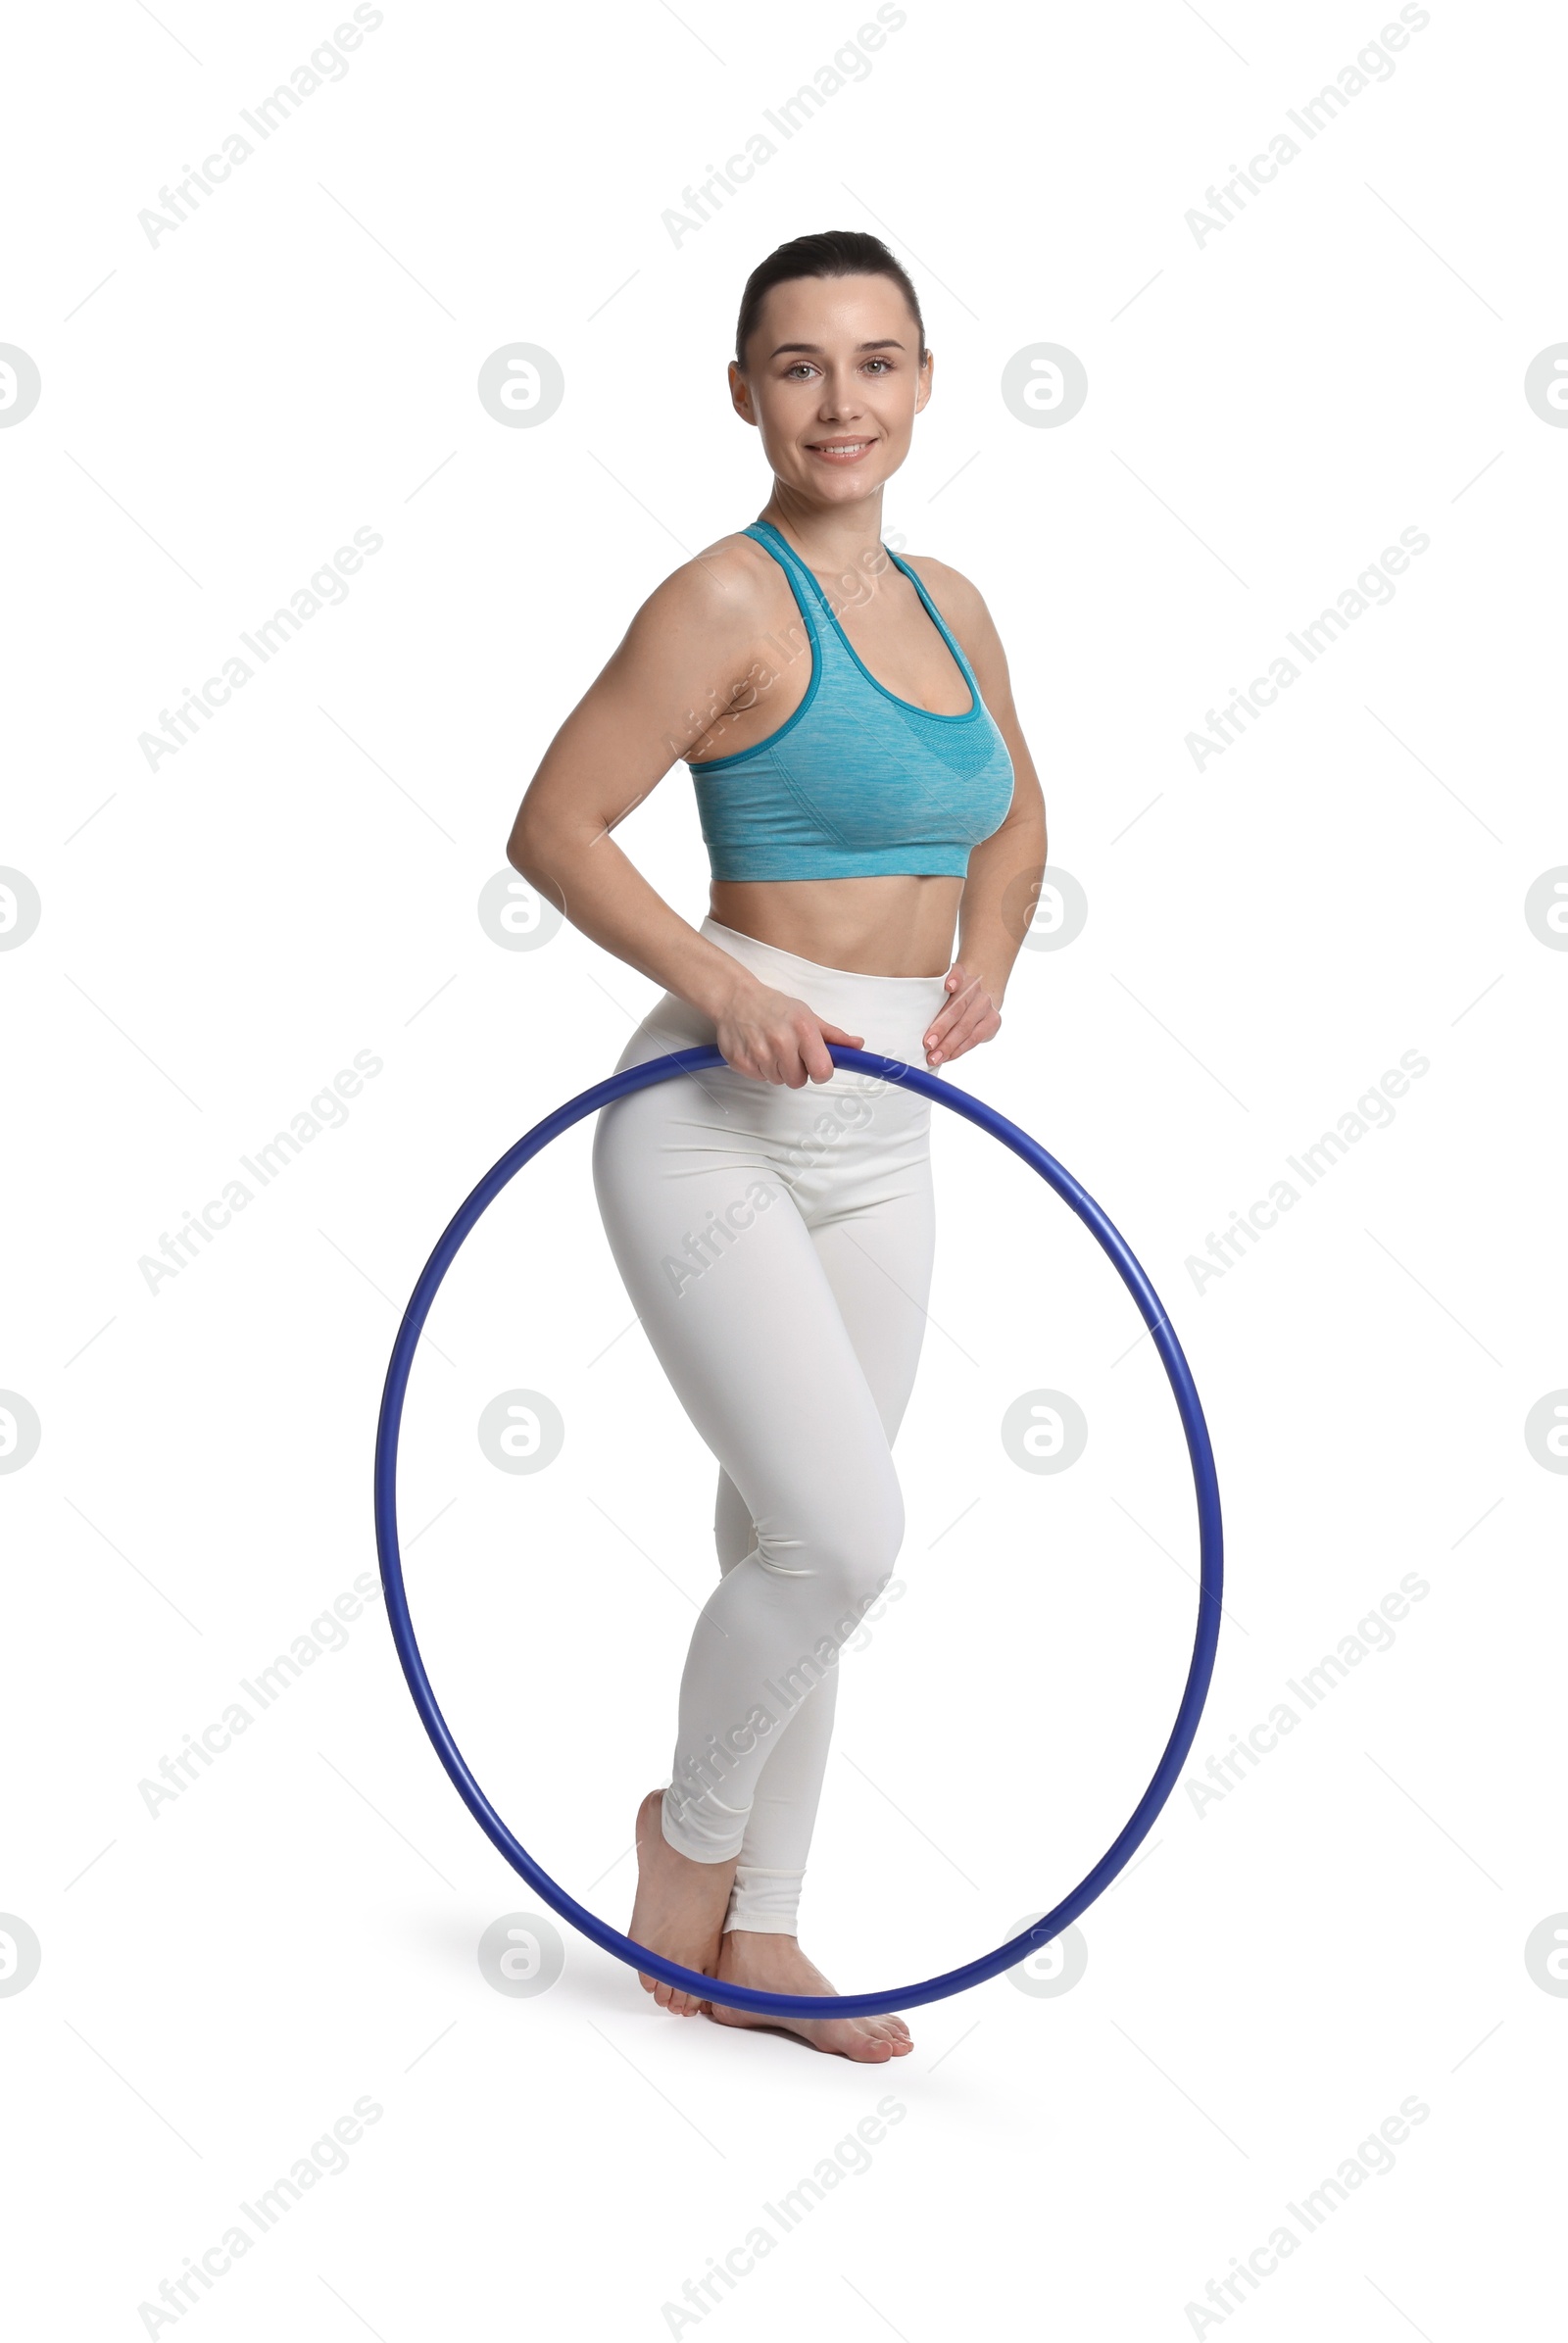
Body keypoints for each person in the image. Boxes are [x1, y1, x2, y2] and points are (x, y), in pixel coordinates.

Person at [506, 228, 1047, 2062]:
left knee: (796, 1546)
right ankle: (689, 1840)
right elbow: (558, 826)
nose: (844, 401)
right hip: (716, 1123)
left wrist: (989, 951)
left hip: (891, 1128)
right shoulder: (723, 605)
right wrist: (716, 983)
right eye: (801, 367)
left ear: (920, 382)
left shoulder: (955, 600)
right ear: (745, 391)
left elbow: (1014, 811)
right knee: (849, 1531)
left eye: (878, 362)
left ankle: (775, 1933)